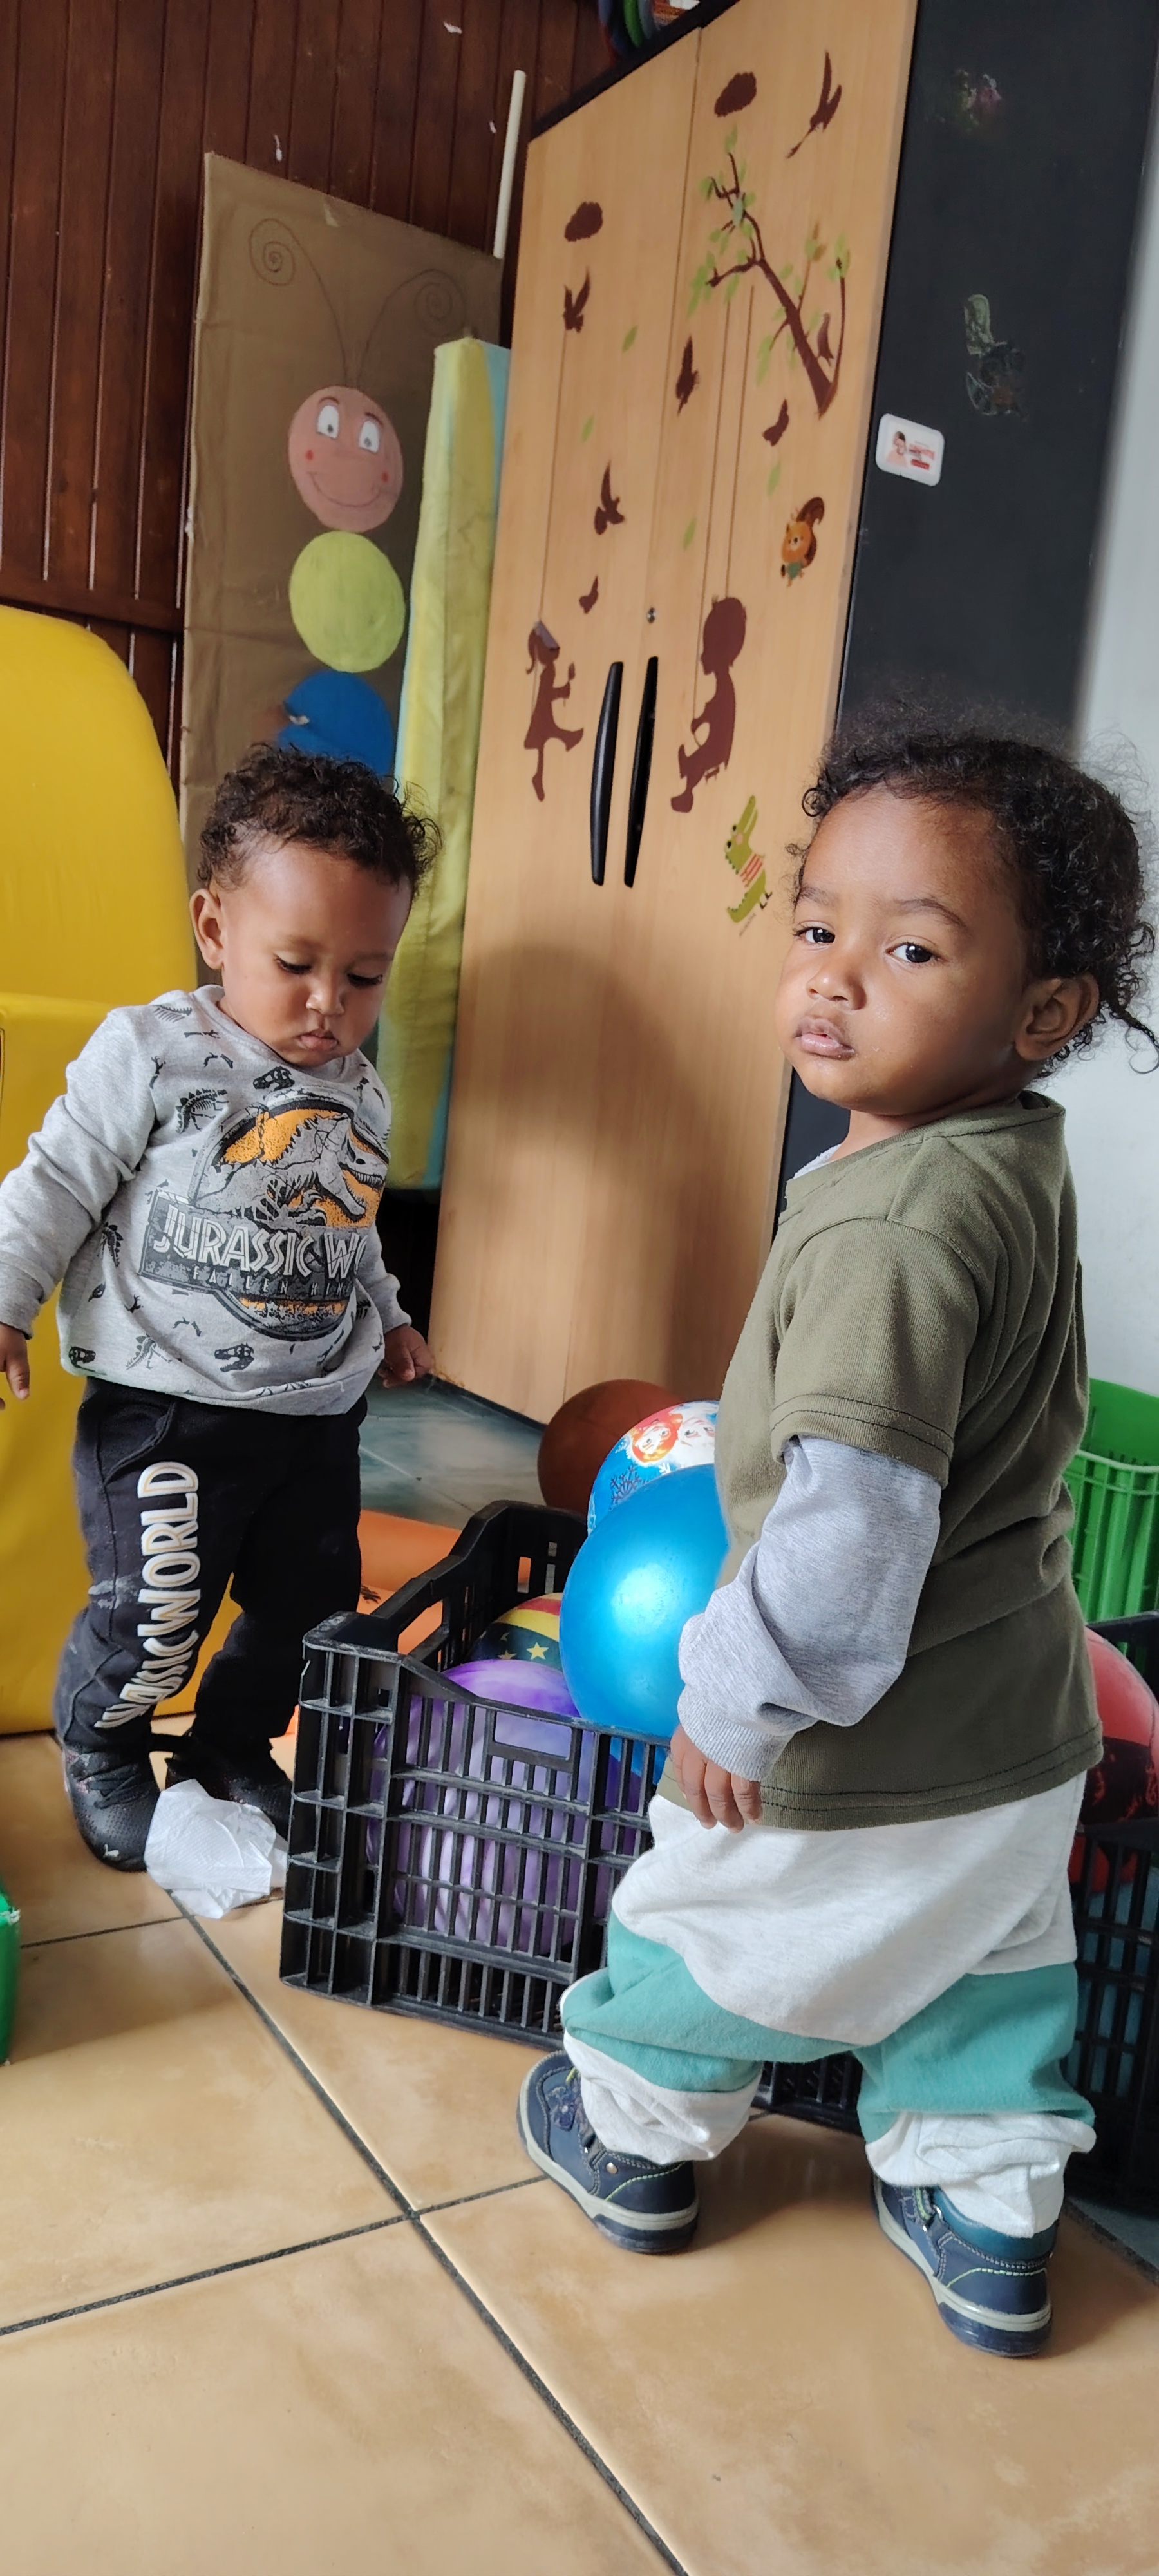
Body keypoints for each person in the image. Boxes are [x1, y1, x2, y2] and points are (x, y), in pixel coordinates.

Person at [519, 723, 1157, 2358]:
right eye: (817, 925)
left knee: (717, 1922)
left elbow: (850, 1532)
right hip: (1021, 1734)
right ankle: (993, 2213)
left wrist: (736, 1707)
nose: (835, 975)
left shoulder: (890, 1229)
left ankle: (637, 2133)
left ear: (1044, 1012)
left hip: (865, 1744)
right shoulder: (1007, 1157)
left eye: (912, 949)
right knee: (985, 1970)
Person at [0, 745, 435, 1870]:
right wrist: (6, 1295)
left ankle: (229, 1747)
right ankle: (103, 1747)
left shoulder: (361, 1091)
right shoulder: (153, 1053)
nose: (329, 1004)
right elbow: (56, 1180)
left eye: (365, 976)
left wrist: (389, 1314)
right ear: (213, 928)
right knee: (157, 1614)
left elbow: (352, 1223)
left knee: (308, 1610)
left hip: (313, 1416)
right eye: (295, 964)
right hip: (166, 1413)